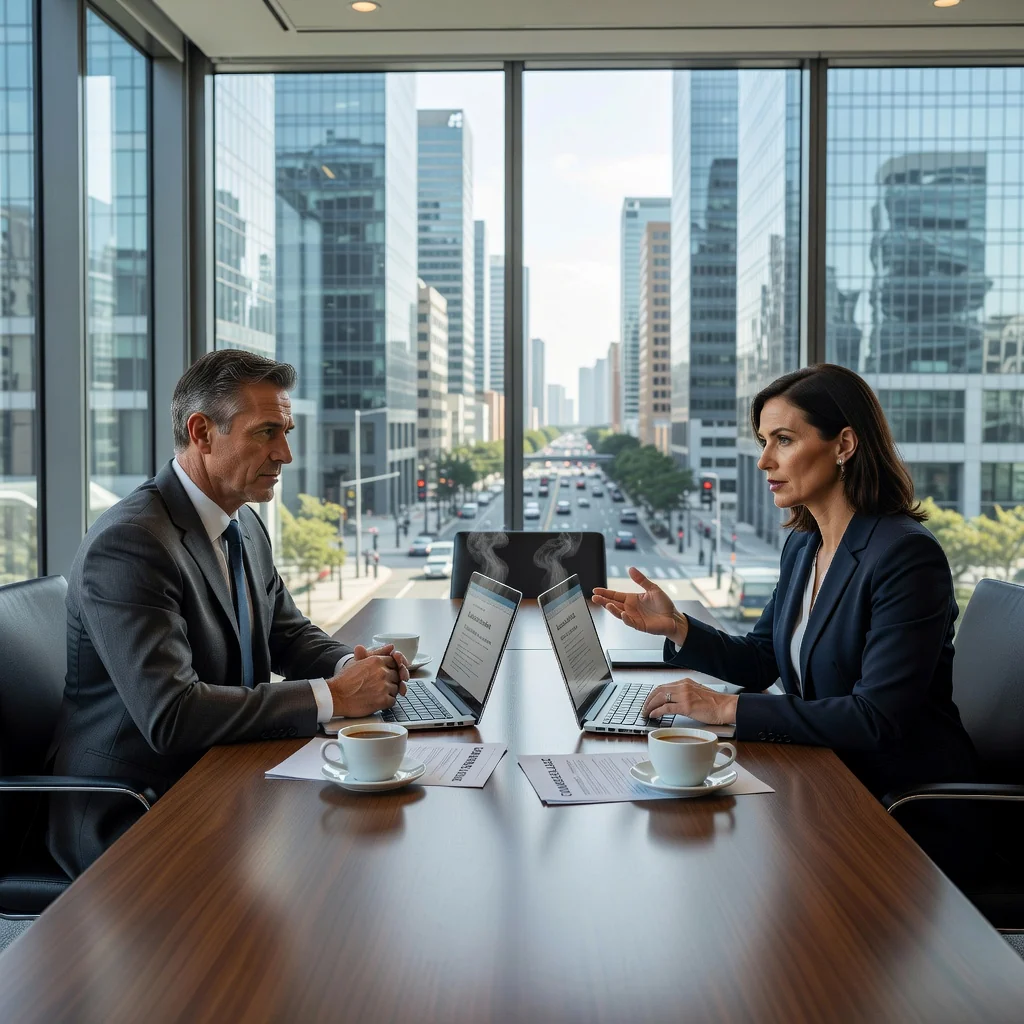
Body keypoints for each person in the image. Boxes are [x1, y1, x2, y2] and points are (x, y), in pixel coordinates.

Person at [48, 350, 409, 877]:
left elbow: (288, 635)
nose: (285, 453)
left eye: (286, 431)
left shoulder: (242, 524)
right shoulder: (131, 544)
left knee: (359, 851)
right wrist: (334, 697)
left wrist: (354, 667)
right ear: (201, 432)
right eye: (266, 432)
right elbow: (172, 716)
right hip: (136, 806)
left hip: (223, 771)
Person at [594, 363, 978, 802]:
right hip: (821, 775)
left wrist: (726, 706)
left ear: (844, 445)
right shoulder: (804, 545)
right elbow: (762, 659)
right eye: (764, 441)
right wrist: (678, 626)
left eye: (784, 440)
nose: (764, 460)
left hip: (898, 802)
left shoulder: (905, 556)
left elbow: (875, 718)